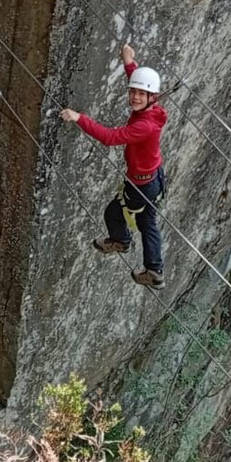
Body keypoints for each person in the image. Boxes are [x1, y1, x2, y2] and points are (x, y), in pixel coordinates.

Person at [60, 44, 168, 290]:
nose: (135, 97)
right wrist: (129, 63)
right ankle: (154, 269)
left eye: (141, 94)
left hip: (141, 183)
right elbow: (142, 84)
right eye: (133, 92)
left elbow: (110, 137)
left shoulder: (145, 126)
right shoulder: (154, 109)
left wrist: (80, 118)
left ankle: (121, 241)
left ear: (152, 97)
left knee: (113, 213)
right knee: (147, 222)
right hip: (152, 178)